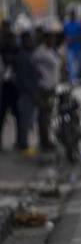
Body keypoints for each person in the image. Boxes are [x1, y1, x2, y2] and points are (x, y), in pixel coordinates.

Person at [32, 25, 62, 152]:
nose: (53, 40)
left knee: (49, 115)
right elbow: (32, 64)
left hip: (52, 87)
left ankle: (47, 140)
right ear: (46, 39)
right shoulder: (41, 51)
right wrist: (38, 74)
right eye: (51, 38)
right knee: (44, 115)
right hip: (44, 88)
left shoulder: (51, 51)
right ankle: (44, 142)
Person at [14, 31, 39, 153]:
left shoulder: (31, 54)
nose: (30, 42)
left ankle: (22, 142)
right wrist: (32, 92)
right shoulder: (22, 56)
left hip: (30, 92)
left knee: (28, 120)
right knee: (25, 120)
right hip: (25, 93)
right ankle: (22, 144)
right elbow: (23, 78)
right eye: (27, 40)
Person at [0, 21, 20, 151]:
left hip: (12, 84)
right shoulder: (2, 42)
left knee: (17, 114)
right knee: (1, 115)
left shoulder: (13, 43)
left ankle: (20, 141)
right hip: (4, 85)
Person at [63, 8, 81, 83]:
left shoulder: (79, 24)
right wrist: (67, 39)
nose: (72, 15)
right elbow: (64, 35)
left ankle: (76, 78)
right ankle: (72, 79)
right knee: (70, 63)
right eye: (70, 14)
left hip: (78, 47)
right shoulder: (66, 24)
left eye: (73, 14)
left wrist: (73, 38)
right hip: (70, 48)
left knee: (78, 65)